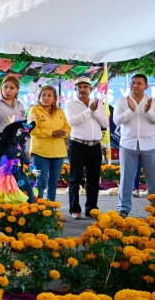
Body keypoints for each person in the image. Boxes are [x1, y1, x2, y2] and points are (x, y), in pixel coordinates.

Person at [64, 76, 108, 219]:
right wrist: (89, 110)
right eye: (79, 87)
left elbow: (105, 123)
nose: (82, 90)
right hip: (78, 144)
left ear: (90, 89)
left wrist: (94, 110)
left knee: (93, 179)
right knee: (75, 178)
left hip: (95, 145)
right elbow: (72, 122)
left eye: (85, 87)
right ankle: (74, 209)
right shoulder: (70, 104)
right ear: (75, 89)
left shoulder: (98, 104)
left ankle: (91, 208)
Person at [113, 74, 155, 217]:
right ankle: (124, 208)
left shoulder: (152, 101)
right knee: (126, 178)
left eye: (139, 83)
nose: (135, 85)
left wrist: (148, 110)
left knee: (153, 178)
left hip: (150, 145)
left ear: (146, 86)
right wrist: (130, 110)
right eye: (133, 83)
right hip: (128, 144)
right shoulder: (121, 101)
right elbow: (117, 120)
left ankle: (154, 207)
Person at [28, 85, 71, 201]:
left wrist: (64, 133)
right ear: (39, 97)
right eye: (43, 95)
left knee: (53, 183)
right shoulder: (34, 110)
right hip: (40, 151)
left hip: (58, 152)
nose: (46, 98)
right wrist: (51, 133)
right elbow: (31, 130)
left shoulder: (60, 111)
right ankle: (39, 209)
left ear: (54, 99)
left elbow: (68, 128)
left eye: (49, 95)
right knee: (41, 182)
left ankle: (51, 209)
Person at [0, 75, 27, 191]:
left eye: (12, 88)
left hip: (14, 141)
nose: (8, 90)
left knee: (12, 172)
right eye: (6, 87)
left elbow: (23, 125)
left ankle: (10, 202)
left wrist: (25, 146)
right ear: (1, 87)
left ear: (17, 90)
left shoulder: (19, 104)